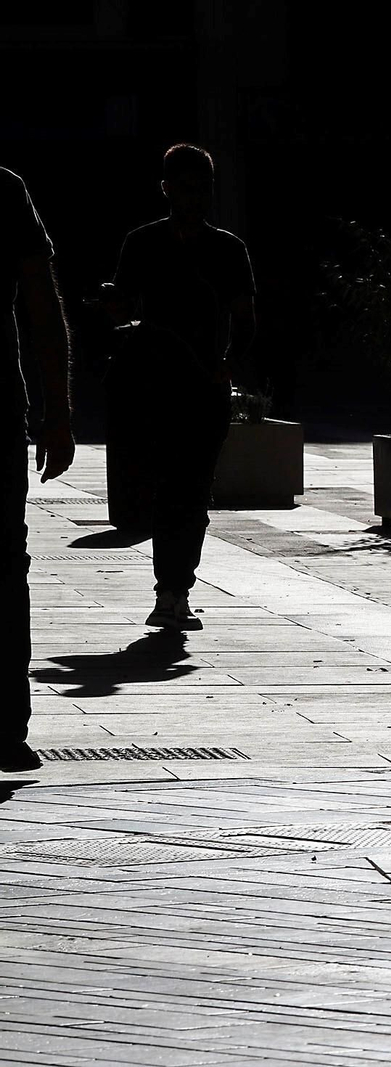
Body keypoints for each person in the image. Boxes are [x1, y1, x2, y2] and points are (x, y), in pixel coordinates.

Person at [99, 144, 256, 629]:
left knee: (191, 490)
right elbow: (122, 310)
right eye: (187, 186)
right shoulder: (142, 244)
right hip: (155, 386)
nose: (196, 196)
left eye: (203, 187)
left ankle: (175, 588)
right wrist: (113, 307)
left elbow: (245, 319)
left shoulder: (228, 249)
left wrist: (227, 366)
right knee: (169, 488)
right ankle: (172, 589)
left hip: (204, 387)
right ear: (166, 188)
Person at [1, 167, 75, 773]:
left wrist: (58, 412)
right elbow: (42, 306)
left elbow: (43, 305)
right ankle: (4, 725)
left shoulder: (5, 190)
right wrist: (58, 413)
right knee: (4, 566)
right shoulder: (2, 189)